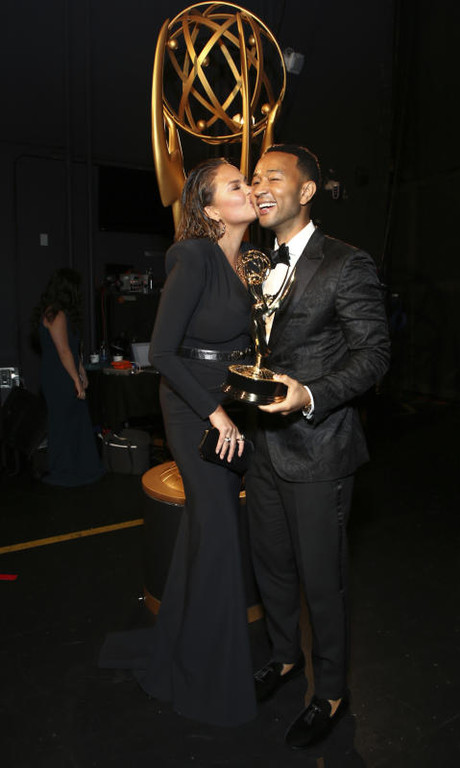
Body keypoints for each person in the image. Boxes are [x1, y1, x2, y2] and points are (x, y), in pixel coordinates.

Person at [99, 157, 258, 727]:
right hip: (196, 410)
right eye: (236, 185)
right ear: (210, 209)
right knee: (219, 539)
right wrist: (216, 415)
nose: (250, 188)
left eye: (247, 181)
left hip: (232, 404)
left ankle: (177, 648)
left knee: (204, 535)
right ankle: (207, 680)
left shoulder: (249, 262)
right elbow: (163, 352)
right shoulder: (192, 255)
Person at [245, 144, 391, 748]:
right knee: (272, 568)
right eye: (254, 177)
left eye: (273, 177)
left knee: (322, 581)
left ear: (306, 192)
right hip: (262, 447)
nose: (258, 186)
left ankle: (331, 691)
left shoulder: (347, 264)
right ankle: (285, 658)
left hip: (319, 448)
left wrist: (309, 394)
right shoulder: (257, 262)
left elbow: (374, 356)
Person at [32, 268, 105, 487]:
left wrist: (81, 373)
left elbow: (72, 350)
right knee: (62, 423)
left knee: (77, 420)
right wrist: (76, 380)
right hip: (58, 376)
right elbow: (63, 351)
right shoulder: (55, 314)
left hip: (65, 373)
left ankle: (81, 467)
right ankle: (65, 469)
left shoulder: (62, 314)